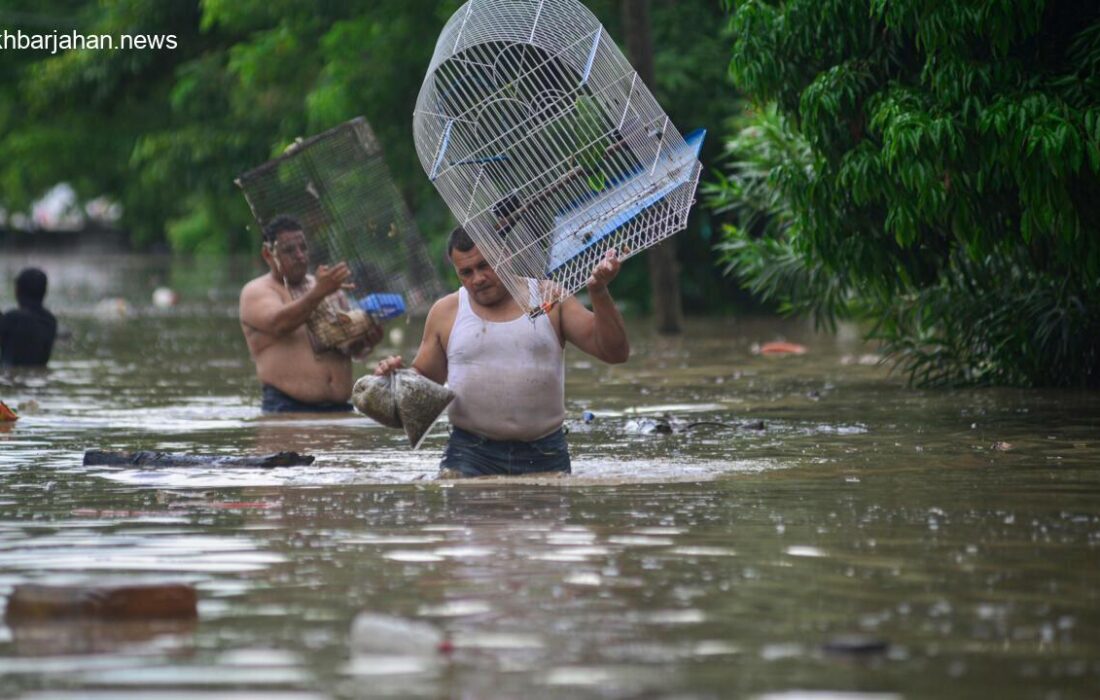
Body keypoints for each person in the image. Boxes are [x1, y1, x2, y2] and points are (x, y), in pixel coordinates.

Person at [375, 225, 629, 476]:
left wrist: (599, 292)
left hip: (544, 452)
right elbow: (424, 381)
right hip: (470, 453)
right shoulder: (446, 311)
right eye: (466, 272)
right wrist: (395, 380)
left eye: (485, 266)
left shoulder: (548, 298)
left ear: (506, 257)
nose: (478, 278)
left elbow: (615, 353)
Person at [239, 215, 382, 413]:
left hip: (341, 409)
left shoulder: (327, 286)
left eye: (303, 247)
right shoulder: (258, 291)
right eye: (289, 250)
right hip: (286, 409)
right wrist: (319, 293)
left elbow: (350, 349)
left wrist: (366, 342)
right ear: (267, 254)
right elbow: (279, 323)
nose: (300, 255)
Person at [0, 267, 58, 367]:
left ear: (17, 291)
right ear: (44, 291)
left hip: (9, 375)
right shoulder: (50, 321)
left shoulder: (12, 318)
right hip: (39, 377)